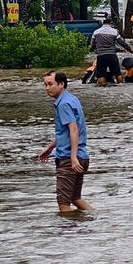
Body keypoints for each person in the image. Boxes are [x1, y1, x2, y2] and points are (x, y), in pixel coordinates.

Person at [38, 71, 90, 213]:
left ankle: (68, 234)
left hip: (69, 159)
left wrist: (73, 158)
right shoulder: (72, 99)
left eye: (50, 84)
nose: (47, 88)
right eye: (45, 85)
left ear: (61, 84)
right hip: (82, 156)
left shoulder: (63, 104)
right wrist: (50, 148)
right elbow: (67, 131)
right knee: (75, 198)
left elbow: (74, 130)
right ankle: (96, 219)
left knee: (63, 204)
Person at [88, 18, 132, 86]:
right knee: (117, 73)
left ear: (103, 23)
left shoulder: (96, 32)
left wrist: (94, 49)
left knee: (101, 74)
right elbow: (122, 43)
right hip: (112, 55)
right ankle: (121, 86)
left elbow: (92, 44)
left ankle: (103, 87)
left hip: (101, 55)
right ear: (110, 24)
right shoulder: (114, 32)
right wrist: (131, 51)